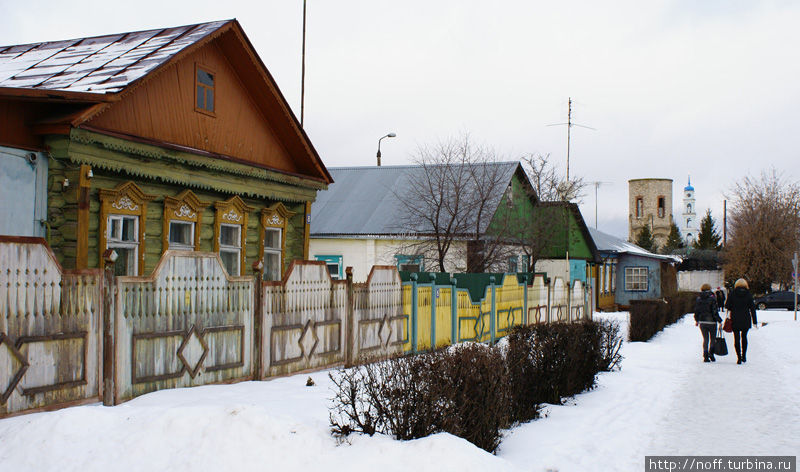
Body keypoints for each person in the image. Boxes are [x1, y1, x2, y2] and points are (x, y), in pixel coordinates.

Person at [724, 278, 758, 365]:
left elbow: (727, 306)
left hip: (735, 318)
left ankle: (738, 357)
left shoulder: (732, 293)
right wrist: (754, 321)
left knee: (736, 338)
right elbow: (752, 309)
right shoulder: (748, 294)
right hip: (746, 319)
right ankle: (744, 356)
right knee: (744, 337)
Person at [694, 283, 721, 362]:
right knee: (712, 339)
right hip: (712, 322)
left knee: (705, 339)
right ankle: (711, 353)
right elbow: (714, 311)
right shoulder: (712, 298)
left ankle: (705, 355)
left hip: (702, 321)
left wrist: (697, 320)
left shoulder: (699, 299)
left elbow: (697, 311)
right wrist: (719, 320)